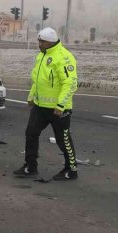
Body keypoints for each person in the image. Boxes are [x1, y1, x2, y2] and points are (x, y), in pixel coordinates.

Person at [14, 27, 79, 181]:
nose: (39, 44)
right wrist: (31, 97)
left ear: (50, 42)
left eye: (42, 42)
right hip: (40, 106)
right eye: (39, 41)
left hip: (58, 110)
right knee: (31, 133)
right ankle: (30, 166)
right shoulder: (42, 56)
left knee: (63, 139)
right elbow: (38, 80)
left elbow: (70, 83)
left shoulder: (63, 57)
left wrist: (61, 105)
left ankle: (71, 170)